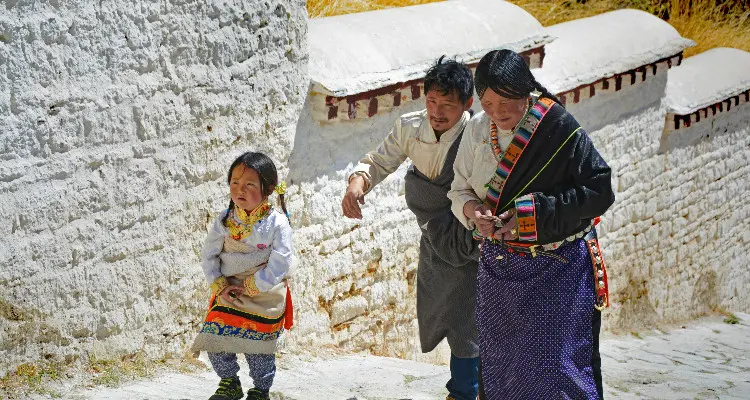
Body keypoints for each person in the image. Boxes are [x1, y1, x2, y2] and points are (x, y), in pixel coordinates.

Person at [448, 49, 614, 399]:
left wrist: (531, 215)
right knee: (502, 366)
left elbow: (599, 190)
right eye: (488, 103)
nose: (498, 113)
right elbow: (458, 189)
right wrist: (473, 211)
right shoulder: (477, 129)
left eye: (506, 100)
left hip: (558, 271)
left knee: (556, 369)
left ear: (525, 90)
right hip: (500, 273)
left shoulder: (556, 127)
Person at [342, 56, 480, 400]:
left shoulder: (479, 135)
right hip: (435, 237)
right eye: (431, 101)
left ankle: (465, 391)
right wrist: (358, 183)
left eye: (447, 105)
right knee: (444, 311)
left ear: (467, 103)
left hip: (471, 237)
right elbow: (378, 161)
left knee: (469, 317)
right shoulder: (410, 127)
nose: (436, 111)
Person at [192, 151, 294, 400]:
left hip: (264, 292)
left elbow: (281, 262)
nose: (241, 189)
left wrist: (253, 285)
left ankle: (261, 390)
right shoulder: (224, 221)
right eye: (235, 183)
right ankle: (229, 383)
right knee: (215, 338)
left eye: (249, 184)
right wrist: (219, 284)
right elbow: (209, 256)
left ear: (268, 188)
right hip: (228, 291)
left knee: (258, 349)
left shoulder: (277, 223)